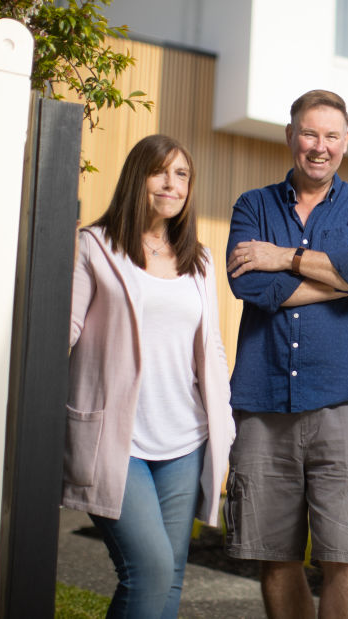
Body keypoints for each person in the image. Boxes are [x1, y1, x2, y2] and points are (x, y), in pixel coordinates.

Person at [224, 89, 348, 619]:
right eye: (309, 133)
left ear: (345, 143)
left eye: (330, 136)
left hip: (345, 401)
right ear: (290, 136)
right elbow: (251, 289)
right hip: (264, 400)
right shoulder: (253, 205)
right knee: (274, 557)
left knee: (346, 557)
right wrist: (345, 277)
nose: (318, 147)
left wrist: (283, 257)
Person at [65, 134, 235, 618]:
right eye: (160, 171)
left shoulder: (198, 259)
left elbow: (212, 346)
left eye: (182, 174)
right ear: (136, 178)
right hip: (118, 440)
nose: (171, 183)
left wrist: (224, 421)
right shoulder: (94, 246)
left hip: (185, 438)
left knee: (171, 576)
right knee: (150, 570)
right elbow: (65, 331)